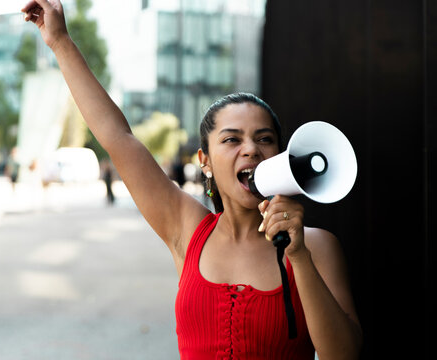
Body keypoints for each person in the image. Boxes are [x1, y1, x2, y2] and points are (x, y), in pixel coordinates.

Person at [22, 1, 363, 359]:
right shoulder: (187, 229)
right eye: (232, 139)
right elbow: (117, 137)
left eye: (264, 139)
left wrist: (299, 256)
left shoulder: (317, 247)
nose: (250, 149)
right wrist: (60, 41)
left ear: (279, 155)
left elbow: (344, 354)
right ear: (205, 162)